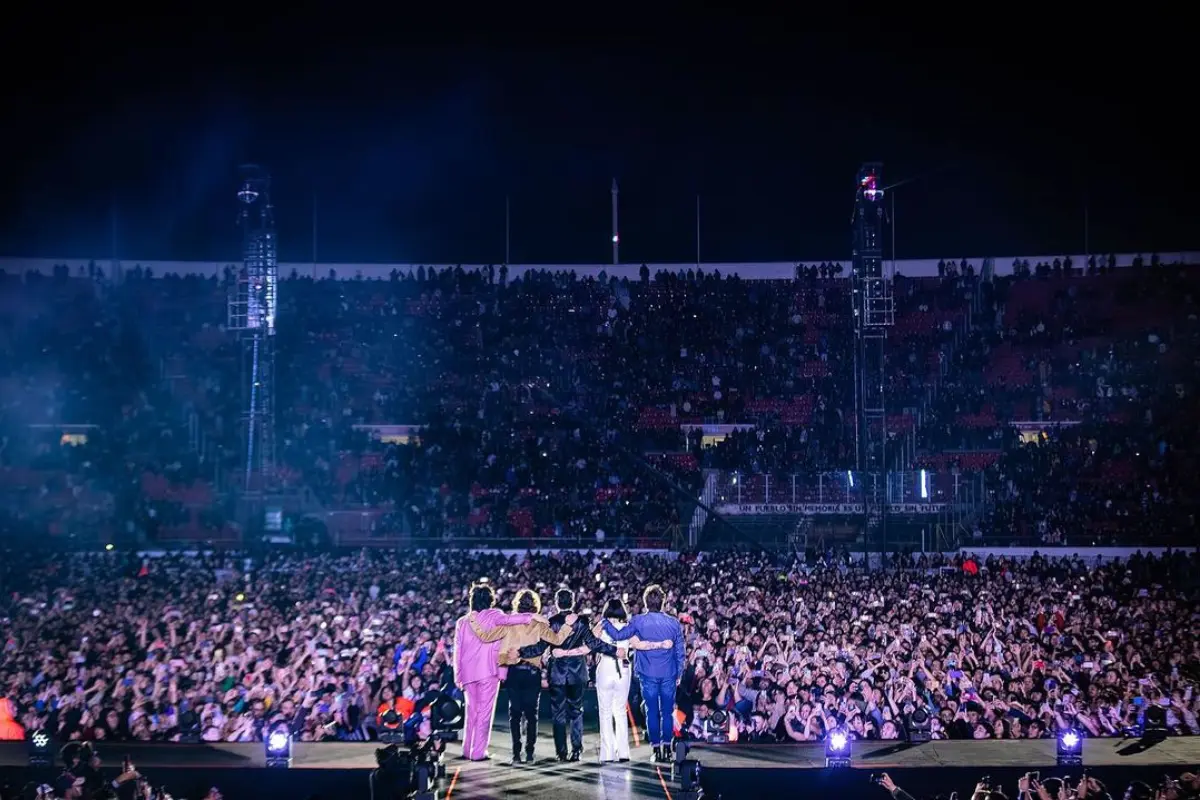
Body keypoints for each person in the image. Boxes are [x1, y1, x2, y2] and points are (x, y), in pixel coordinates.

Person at [467, 589, 575, 764]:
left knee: (515, 714)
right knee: (532, 715)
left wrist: (473, 620)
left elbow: (485, 637)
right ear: (535, 605)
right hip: (532, 674)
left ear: (517, 604)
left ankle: (516, 753)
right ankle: (530, 752)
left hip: (514, 673)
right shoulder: (539, 624)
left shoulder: (509, 623)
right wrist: (568, 625)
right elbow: (557, 640)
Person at [516, 589, 622, 762]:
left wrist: (520, 652)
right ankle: (576, 751)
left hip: (557, 674)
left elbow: (540, 647)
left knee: (558, 714)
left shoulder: (552, 622)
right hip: (577, 673)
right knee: (576, 712)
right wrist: (614, 650)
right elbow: (594, 643)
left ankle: (561, 752)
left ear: (557, 602)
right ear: (572, 602)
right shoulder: (581, 622)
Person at [452, 581, 540, 761]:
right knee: (484, 713)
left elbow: (457, 651)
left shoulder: (462, 621)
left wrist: (458, 675)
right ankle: (478, 753)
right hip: (488, 672)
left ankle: (467, 750)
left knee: (471, 713)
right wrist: (530, 617)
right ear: (490, 600)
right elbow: (512, 619)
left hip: (468, 673)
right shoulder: (495, 615)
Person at [601, 584, 685, 763]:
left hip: (647, 673)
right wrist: (679, 673)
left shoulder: (638, 621)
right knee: (667, 712)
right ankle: (667, 749)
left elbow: (617, 635)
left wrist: (605, 623)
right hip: (669, 673)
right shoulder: (673, 623)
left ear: (646, 603)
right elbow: (680, 652)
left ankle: (656, 749)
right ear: (663, 603)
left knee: (651, 711)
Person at [594, 598, 635, 763]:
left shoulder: (602, 626)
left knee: (605, 712)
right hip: (623, 670)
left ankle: (608, 754)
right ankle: (623, 752)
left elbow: (591, 638)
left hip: (605, 667)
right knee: (620, 711)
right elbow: (636, 644)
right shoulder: (627, 627)